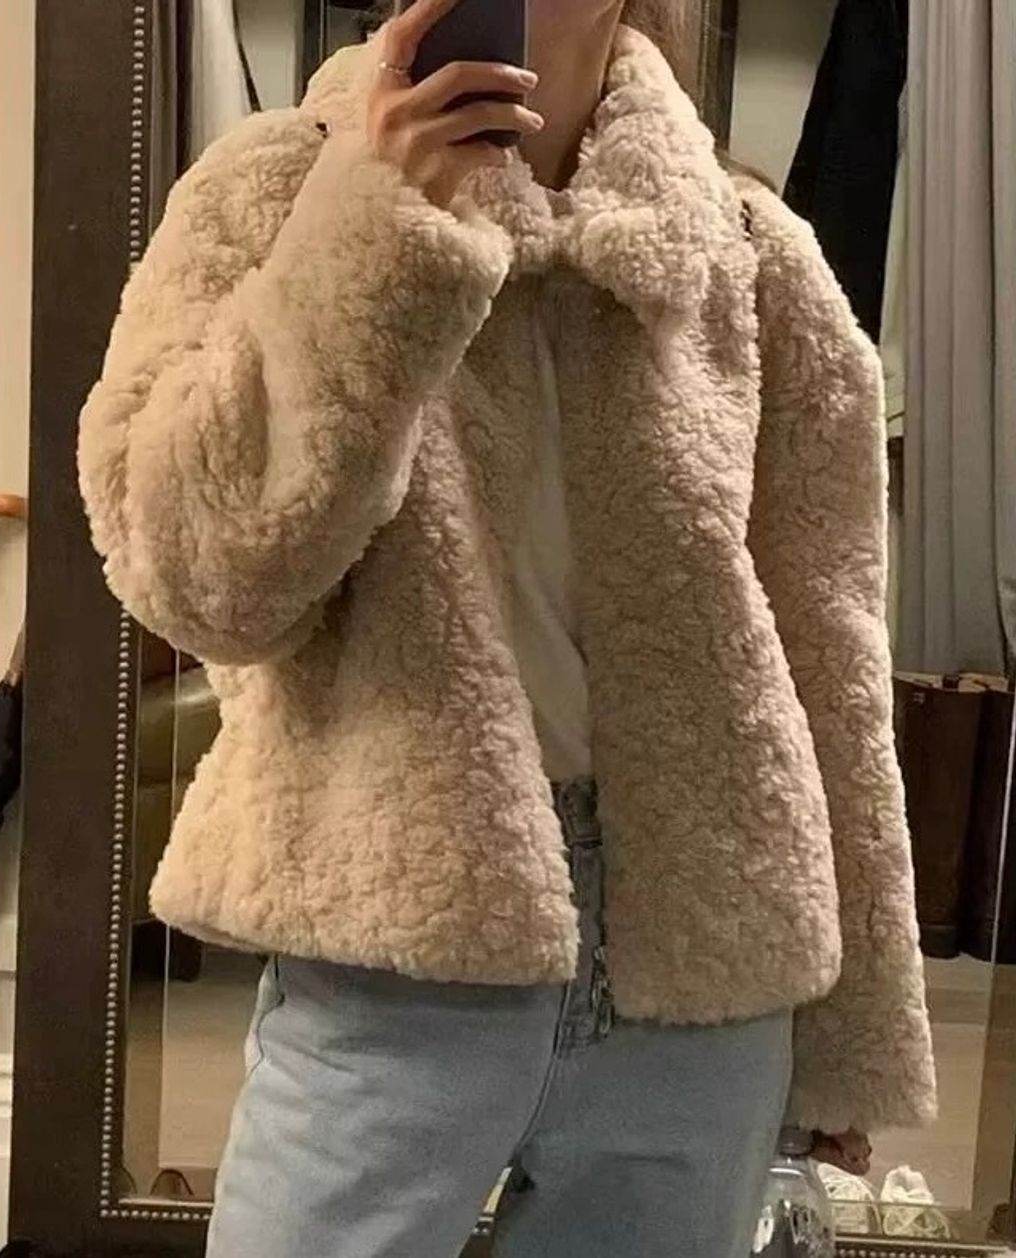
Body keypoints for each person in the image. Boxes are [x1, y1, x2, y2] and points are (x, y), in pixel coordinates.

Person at [77, 0, 936, 1254]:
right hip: (389, 941)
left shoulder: (749, 254)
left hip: (699, 960)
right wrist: (369, 226)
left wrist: (850, 1033)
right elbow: (190, 575)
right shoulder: (271, 194)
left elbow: (831, 666)